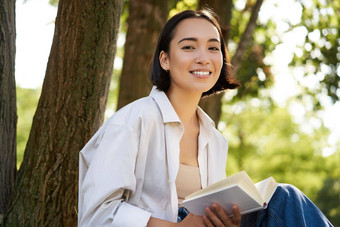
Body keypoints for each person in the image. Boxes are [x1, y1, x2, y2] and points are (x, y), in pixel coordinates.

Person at [78, 9, 333, 227]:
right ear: (164, 59)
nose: (204, 57)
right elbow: (95, 215)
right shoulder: (133, 120)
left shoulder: (215, 139)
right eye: (189, 46)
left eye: (213, 48)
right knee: (285, 198)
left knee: (282, 200)